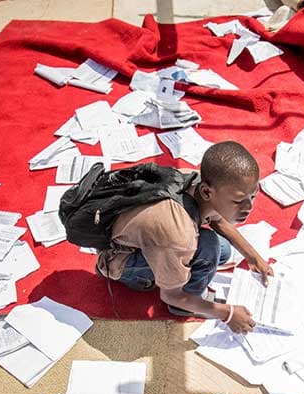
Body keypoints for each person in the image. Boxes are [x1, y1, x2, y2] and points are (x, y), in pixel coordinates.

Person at [95, 141, 273, 334]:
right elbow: (171, 295)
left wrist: (254, 258)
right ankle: (176, 298)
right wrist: (227, 313)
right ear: (206, 192)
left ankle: (178, 274)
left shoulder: (196, 182)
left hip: (147, 238)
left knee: (222, 250)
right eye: (238, 200)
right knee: (210, 248)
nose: (248, 208)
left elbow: (218, 222)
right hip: (121, 260)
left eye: (253, 196)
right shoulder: (178, 237)